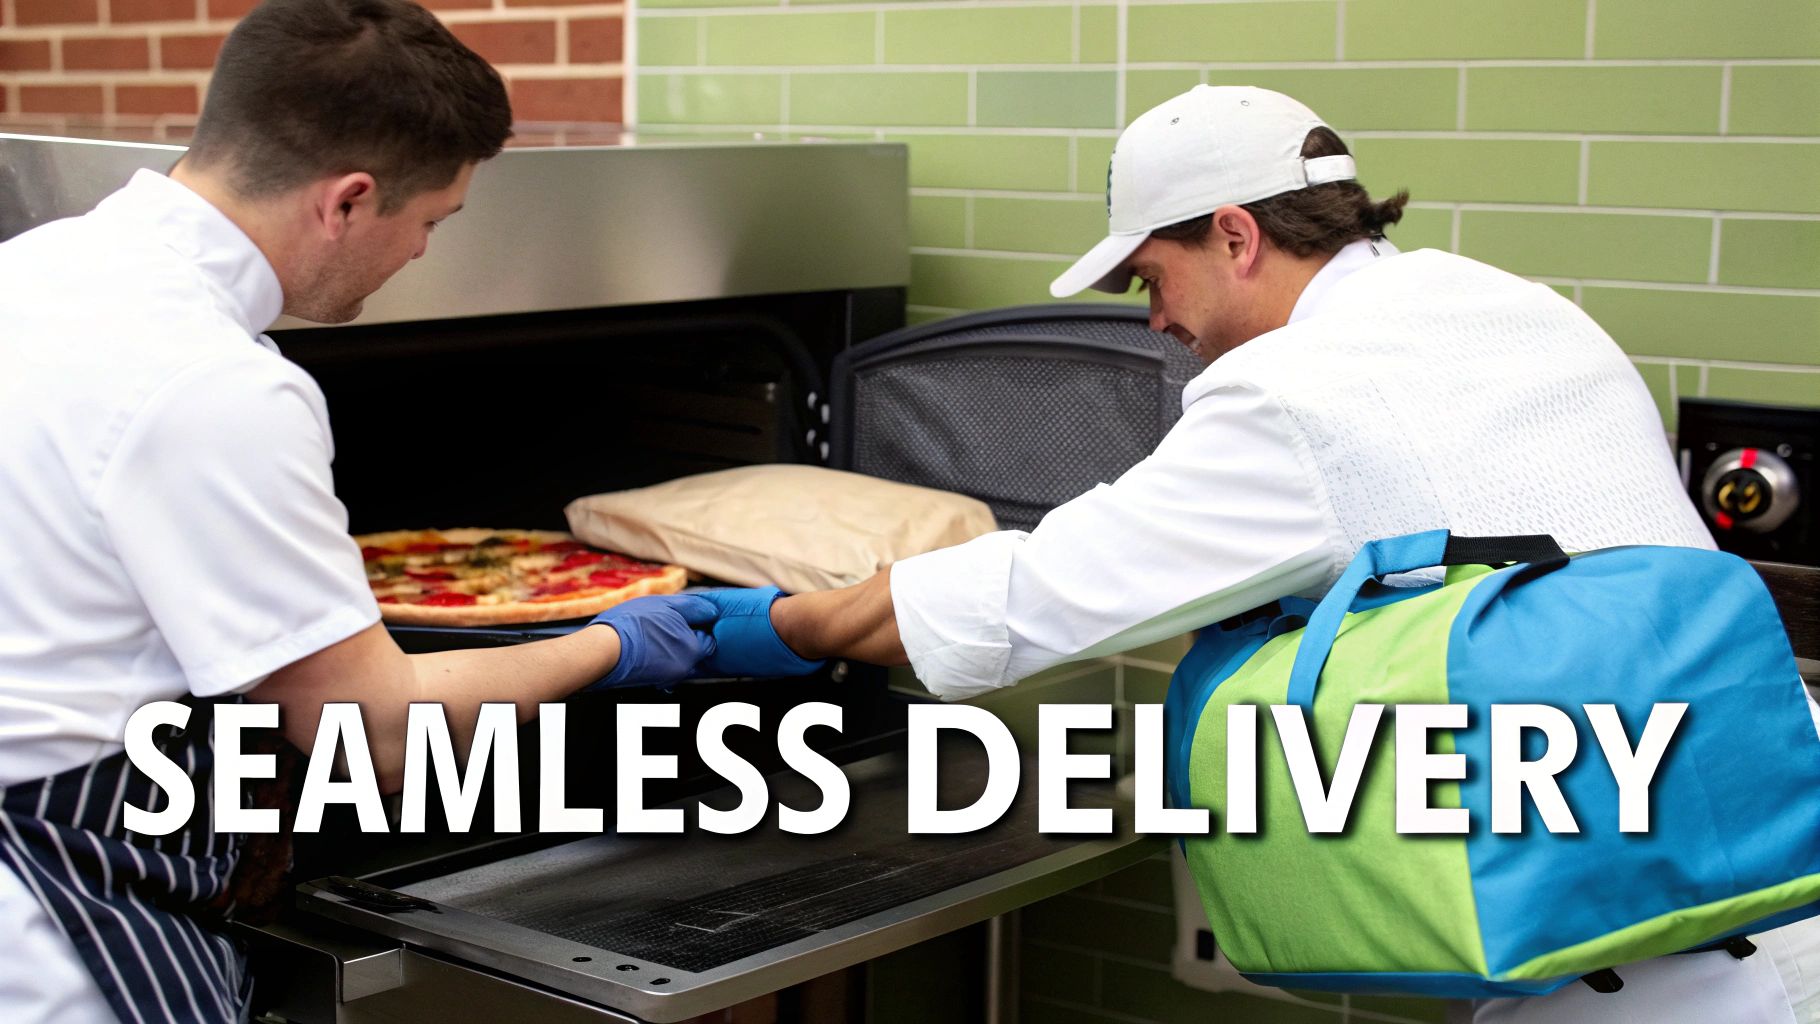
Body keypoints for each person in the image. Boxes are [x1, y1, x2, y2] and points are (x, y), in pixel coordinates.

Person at [697, 85, 1820, 1022]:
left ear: (1234, 235)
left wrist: (742, 625)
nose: (1151, 321)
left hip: (1663, 966)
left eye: (1147, 277)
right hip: (1760, 828)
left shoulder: (1294, 393)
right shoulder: (1511, 305)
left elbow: (1020, 599)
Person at [0, 2, 722, 1021]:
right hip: (59, 922)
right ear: (346, 201)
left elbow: (93, 616)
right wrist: (606, 644)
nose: (422, 252)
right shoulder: (219, 384)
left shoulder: (31, 271)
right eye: (430, 220)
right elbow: (372, 728)